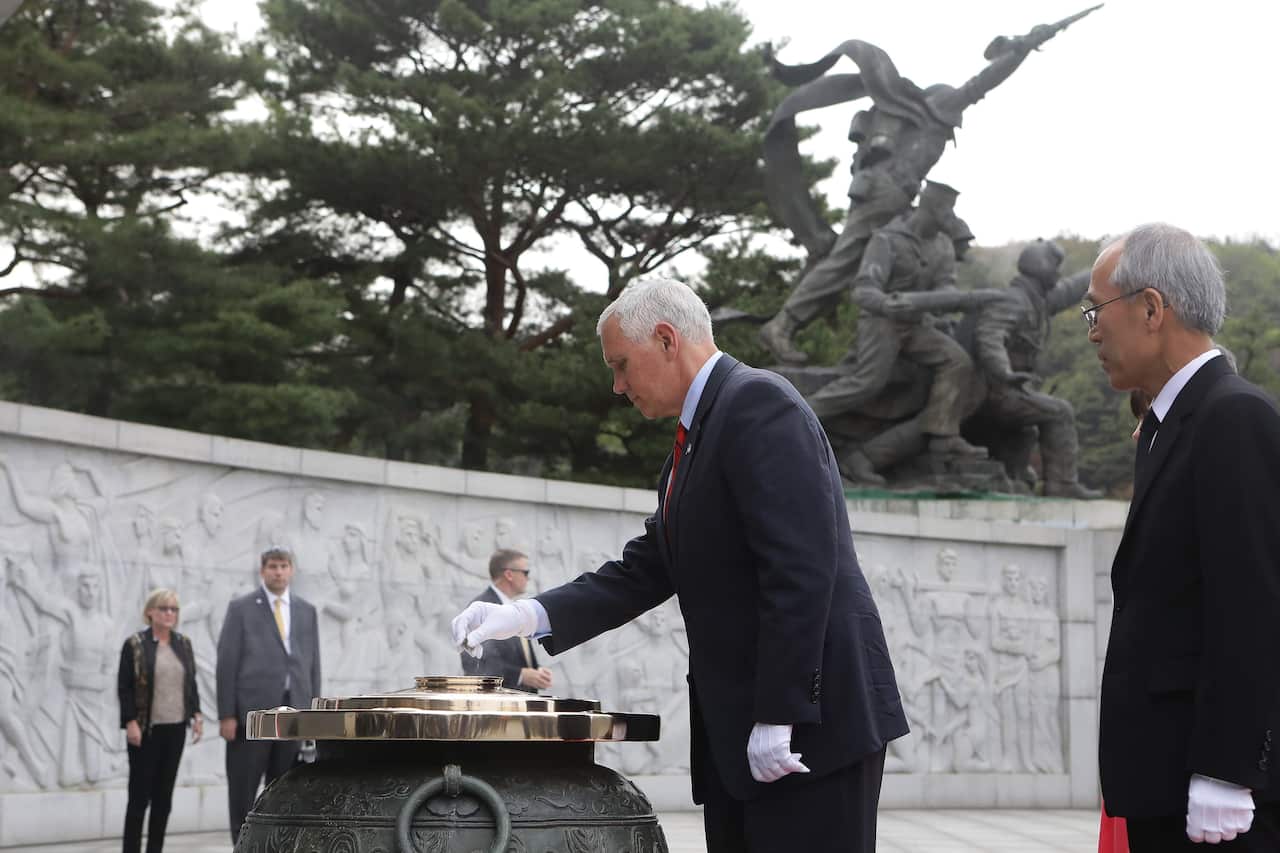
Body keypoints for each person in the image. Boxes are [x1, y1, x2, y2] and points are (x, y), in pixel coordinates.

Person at [452, 277, 907, 853]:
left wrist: (780, 713)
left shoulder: (759, 404)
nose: (617, 386)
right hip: (745, 731)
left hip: (808, 733)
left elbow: (802, 570)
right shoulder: (694, 440)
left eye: (621, 365)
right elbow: (647, 567)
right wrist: (522, 615)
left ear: (666, 339)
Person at [1088, 223, 1280, 850]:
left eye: (1098, 309)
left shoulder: (1232, 416)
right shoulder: (1167, 427)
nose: (1091, 329)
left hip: (1215, 798)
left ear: (1151, 308)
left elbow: (1253, 603)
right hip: (1163, 779)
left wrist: (1228, 769)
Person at [806, 181, 986, 461]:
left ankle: (942, 435)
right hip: (881, 322)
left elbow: (945, 286)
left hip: (916, 325)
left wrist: (946, 299)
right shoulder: (887, 240)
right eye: (947, 210)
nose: (950, 217)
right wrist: (886, 303)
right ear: (932, 208)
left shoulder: (943, 246)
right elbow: (863, 290)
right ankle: (800, 413)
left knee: (958, 361)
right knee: (867, 383)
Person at [216, 548, 321, 844]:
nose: (278, 572)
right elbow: (227, 662)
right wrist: (226, 714)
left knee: (285, 787)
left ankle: (276, 846)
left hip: (293, 715)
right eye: (273, 566)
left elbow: (313, 665)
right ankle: (242, 845)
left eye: (284, 566)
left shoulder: (305, 610)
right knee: (244, 787)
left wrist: (313, 714)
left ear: (292, 571)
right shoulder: (242, 608)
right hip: (251, 715)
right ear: (263, 571)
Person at [117, 588, 202, 853]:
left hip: (175, 729)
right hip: (145, 731)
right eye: (164, 608)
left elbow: (190, 683)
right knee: (139, 798)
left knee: (163, 798)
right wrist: (130, 721)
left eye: (174, 609)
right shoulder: (135, 645)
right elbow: (125, 687)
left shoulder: (183, 644)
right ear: (150, 612)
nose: (169, 614)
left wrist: (196, 714)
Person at [459, 549, 553, 693]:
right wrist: (520, 675)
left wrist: (536, 672)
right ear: (509, 574)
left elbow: (518, 656)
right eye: (525, 572)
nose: (528, 578)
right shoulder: (481, 608)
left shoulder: (514, 608)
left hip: (520, 702)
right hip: (496, 705)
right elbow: (472, 661)